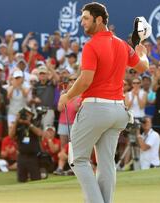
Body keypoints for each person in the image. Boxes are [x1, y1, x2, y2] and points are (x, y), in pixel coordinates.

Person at [58, 3, 149, 203]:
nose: (82, 23)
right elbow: (143, 66)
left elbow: (85, 80)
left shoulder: (91, 45)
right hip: (118, 111)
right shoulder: (123, 45)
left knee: (78, 159)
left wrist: (67, 96)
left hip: (96, 109)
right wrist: (142, 52)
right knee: (106, 163)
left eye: (86, 19)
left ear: (99, 20)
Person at [10, 107, 45, 182]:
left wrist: (29, 124)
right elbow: (11, 135)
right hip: (21, 156)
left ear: (32, 115)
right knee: (21, 180)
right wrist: (16, 121)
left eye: (28, 114)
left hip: (33, 156)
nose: (26, 116)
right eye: (25, 114)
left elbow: (39, 133)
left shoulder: (35, 122)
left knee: (36, 179)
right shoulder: (18, 125)